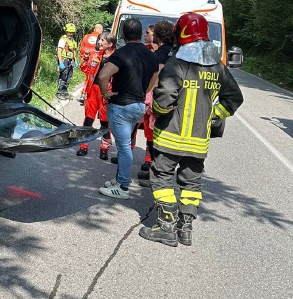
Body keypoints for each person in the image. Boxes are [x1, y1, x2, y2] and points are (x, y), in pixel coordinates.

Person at [139, 13, 244, 247]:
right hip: (198, 140)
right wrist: (213, 115)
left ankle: (166, 227)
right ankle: (185, 229)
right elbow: (234, 98)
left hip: (170, 137)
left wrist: (156, 110)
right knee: (191, 183)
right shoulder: (218, 67)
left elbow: (164, 98)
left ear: (182, 34)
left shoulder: (177, 64)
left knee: (163, 176)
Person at [95, 18, 159, 199]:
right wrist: (142, 92)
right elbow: (153, 82)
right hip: (138, 105)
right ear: (140, 33)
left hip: (121, 105)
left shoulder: (122, 53)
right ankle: (119, 180)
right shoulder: (151, 55)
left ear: (123, 34)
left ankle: (122, 186)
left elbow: (103, 75)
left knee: (123, 147)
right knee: (125, 146)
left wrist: (104, 93)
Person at [138, 20, 177, 186]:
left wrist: (146, 98)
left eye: (150, 33)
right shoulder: (175, 52)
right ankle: (155, 173)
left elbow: (157, 79)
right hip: (172, 100)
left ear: (158, 35)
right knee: (157, 137)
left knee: (155, 138)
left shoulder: (161, 54)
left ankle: (154, 176)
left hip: (158, 100)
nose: (147, 35)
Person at [76, 32, 116, 159]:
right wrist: (85, 59)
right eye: (99, 39)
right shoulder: (95, 54)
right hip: (92, 90)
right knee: (88, 119)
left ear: (110, 44)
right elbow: (84, 69)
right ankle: (83, 146)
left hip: (106, 93)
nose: (99, 42)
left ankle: (104, 149)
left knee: (104, 122)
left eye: (102, 40)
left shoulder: (117, 58)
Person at [78, 24, 104, 104]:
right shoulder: (101, 39)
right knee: (91, 78)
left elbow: (82, 48)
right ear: (101, 30)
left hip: (87, 59)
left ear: (94, 29)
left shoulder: (86, 37)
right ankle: (86, 93)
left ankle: (85, 93)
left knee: (88, 77)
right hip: (96, 60)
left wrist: (84, 58)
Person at [56, 23, 79, 99]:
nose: (71, 34)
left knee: (69, 76)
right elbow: (59, 51)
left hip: (70, 60)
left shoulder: (72, 40)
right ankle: (59, 92)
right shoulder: (63, 39)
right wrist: (60, 62)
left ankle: (65, 92)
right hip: (64, 59)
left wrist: (75, 60)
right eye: (69, 32)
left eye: (72, 32)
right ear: (66, 31)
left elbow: (73, 51)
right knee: (63, 76)